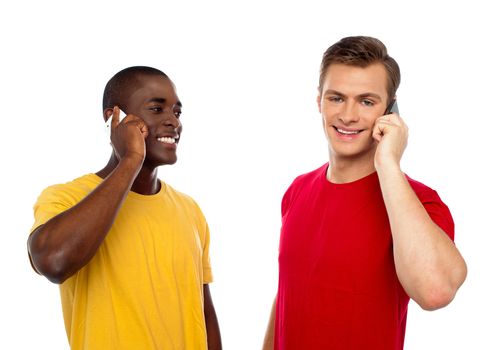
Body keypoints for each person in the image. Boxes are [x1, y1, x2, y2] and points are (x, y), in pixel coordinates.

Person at [262, 36, 467, 350]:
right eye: (336, 98)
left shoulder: (419, 202)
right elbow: (286, 296)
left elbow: (435, 291)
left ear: (390, 109)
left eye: (367, 101)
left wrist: (388, 162)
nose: (348, 115)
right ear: (319, 100)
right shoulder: (297, 190)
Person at [28, 66, 222, 350]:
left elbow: (205, 314)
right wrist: (130, 160)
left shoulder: (191, 211)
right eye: (157, 109)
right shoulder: (65, 198)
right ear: (113, 118)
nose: (173, 122)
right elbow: (53, 261)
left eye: (177, 112)